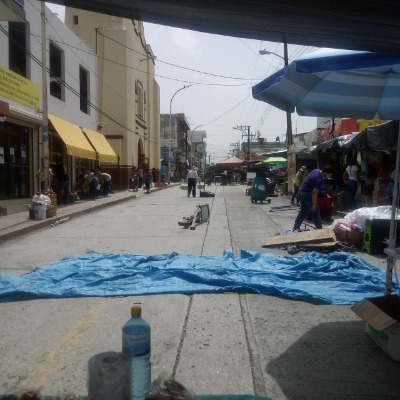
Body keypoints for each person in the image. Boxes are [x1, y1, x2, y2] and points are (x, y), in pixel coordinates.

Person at [293, 165, 334, 231]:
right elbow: (314, 193)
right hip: (306, 193)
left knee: (303, 211)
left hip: (301, 191)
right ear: (325, 173)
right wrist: (314, 205)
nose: (329, 177)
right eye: (329, 175)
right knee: (315, 211)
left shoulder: (316, 170)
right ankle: (319, 229)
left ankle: (296, 227)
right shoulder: (319, 179)